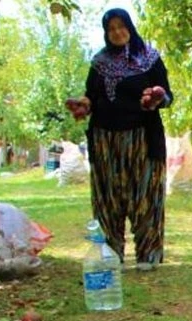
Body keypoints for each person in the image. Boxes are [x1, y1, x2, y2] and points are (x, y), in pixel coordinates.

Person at [66, 9, 172, 270]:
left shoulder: (150, 58)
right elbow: (92, 95)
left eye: (121, 26)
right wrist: (83, 105)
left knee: (146, 195)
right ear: (106, 33)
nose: (117, 32)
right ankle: (110, 255)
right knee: (108, 199)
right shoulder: (99, 63)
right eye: (111, 28)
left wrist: (156, 97)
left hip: (143, 140)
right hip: (105, 141)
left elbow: (167, 96)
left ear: (130, 27)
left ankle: (148, 255)